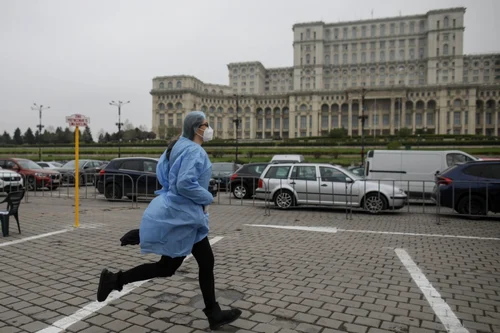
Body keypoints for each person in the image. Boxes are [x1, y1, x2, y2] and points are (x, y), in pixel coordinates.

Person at [96, 111, 241, 330]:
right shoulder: (194, 151)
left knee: (188, 264)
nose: (208, 128)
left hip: (179, 212)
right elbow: (184, 183)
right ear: (196, 128)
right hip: (187, 216)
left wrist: (175, 192)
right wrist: (207, 196)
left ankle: (213, 313)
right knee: (177, 266)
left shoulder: (175, 146)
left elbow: (163, 174)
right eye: (205, 124)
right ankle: (115, 279)